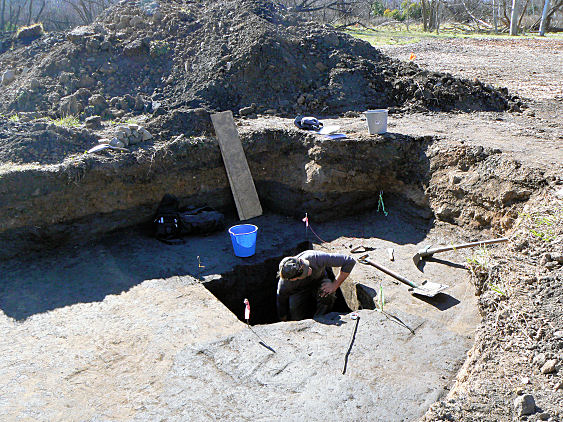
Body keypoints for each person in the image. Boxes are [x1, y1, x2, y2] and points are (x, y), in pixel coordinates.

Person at [276, 250, 356, 321]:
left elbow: (349, 261)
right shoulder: (284, 285)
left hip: (319, 282)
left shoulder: (314, 257)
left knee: (327, 293)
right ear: (293, 279)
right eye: (305, 272)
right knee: (295, 311)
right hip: (298, 291)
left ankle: (321, 317)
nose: (309, 269)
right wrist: (284, 321)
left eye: (306, 265)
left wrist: (334, 285)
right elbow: (281, 303)